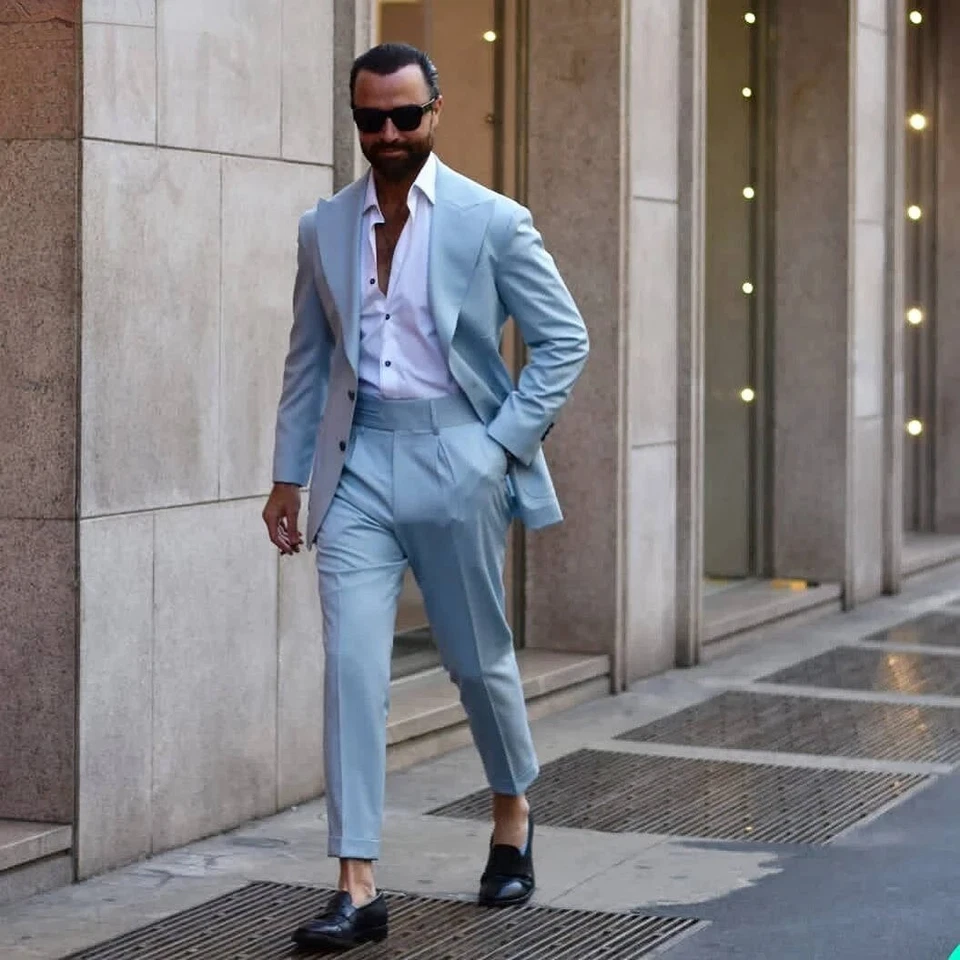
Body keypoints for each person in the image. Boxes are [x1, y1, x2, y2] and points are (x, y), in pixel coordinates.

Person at [263, 42, 589, 952]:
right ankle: (357, 884)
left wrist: (498, 448)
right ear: (356, 120)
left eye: (406, 116)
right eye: (372, 119)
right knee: (352, 671)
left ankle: (513, 813)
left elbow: (564, 340)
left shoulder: (493, 221)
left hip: (459, 455)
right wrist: (288, 475)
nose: (390, 133)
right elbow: (308, 361)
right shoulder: (324, 226)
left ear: (436, 111)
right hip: (358, 463)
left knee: (478, 661)